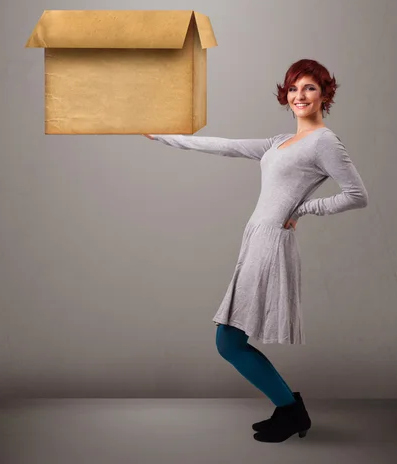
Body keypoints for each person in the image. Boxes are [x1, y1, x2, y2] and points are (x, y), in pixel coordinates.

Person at [143, 59, 368, 443]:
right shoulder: (280, 141)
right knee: (233, 341)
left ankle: (291, 411)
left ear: (324, 94)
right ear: (286, 94)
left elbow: (357, 195)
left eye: (310, 88)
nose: (300, 95)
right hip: (255, 240)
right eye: (295, 88)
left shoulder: (325, 142)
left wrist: (306, 209)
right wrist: (163, 135)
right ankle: (288, 409)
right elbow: (226, 146)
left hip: (271, 245)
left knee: (228, 342)